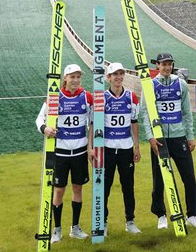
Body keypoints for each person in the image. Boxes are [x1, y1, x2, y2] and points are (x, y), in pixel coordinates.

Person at [141, 52, 196, 230]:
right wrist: (151, 137)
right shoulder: (151, 85)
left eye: (170, 64)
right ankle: (161, 215)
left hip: (179, 137)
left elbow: (187, 113)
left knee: (189, 178)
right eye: (164, 64)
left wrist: (190, 136)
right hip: (160, 139)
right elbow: (145, 113)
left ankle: (192, 215)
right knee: (159, 180)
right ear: (158, 66)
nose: (167, 67)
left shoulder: (181, 83)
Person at [36, 63, 93, 243]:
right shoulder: (55, 97)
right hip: (60, 153)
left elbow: (92, 123)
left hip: (80, 152)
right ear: (65, 79)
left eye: (78, 77)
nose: (75, 80)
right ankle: (57, 230)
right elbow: (39, 118)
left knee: (78, 188)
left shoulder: (87, 97)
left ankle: (75, 228)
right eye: (72, 77)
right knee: (59, 191)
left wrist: (90, 146)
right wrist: (45, 128)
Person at [88, 62, 141, 237]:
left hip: (125, 149)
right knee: (104, 187)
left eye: (120, 73)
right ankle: (102, 222)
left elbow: (134, 122)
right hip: (107, 150)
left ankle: (130, 221)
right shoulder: (101, 98)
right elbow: (93, 124)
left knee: (128, 187)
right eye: (114, 74)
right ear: (108, 78)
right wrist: (92, 148)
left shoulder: (131, 97)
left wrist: (136, 146)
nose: (118, 77)